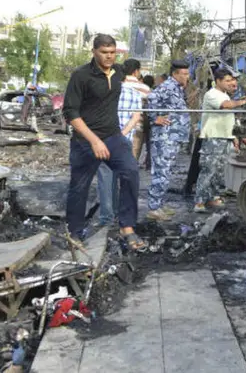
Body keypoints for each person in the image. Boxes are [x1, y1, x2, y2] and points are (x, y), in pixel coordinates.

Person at [62, 34, 146, 251]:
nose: (109, 57)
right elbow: (70, 112)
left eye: (112, 53)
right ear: (94, 52)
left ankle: (127, 227)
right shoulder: (81, 75)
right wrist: (94, 141)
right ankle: (75, 233)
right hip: (85, 140)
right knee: (79, 187)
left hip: (113, 136)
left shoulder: (118, 72)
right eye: (104, 52)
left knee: (131, 171)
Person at [193, 69, 246, 213]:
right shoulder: (212, 94)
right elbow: (226, 106)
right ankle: (199, 201)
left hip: (225, 137)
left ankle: (212, 197)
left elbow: (230, 118)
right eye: (228, 80)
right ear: (218, 81)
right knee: (209, 169)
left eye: (233, 80)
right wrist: (245, 101)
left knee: (219, 171)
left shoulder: (225, 95)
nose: (232, 83)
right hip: (213, 137)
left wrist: (238, 136)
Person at [95, 59, 145, 227]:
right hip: (124, 142)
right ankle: (118, 215)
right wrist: (123, 134)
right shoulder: (135, 94)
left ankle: (106, 219)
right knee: (121, 180)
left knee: (105, 180)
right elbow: (136, 117)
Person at [146, 60, 190, 221]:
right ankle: (154, 208)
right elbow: (151, 98)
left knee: (166, 171)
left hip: (173, 137)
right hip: (165, 137)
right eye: (184, 74)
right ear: (175, 74)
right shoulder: (168, 87)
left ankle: (159, 204)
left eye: (187, 73)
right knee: (161, 172)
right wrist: (154, 117)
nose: (187, 76)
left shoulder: (177, 88)